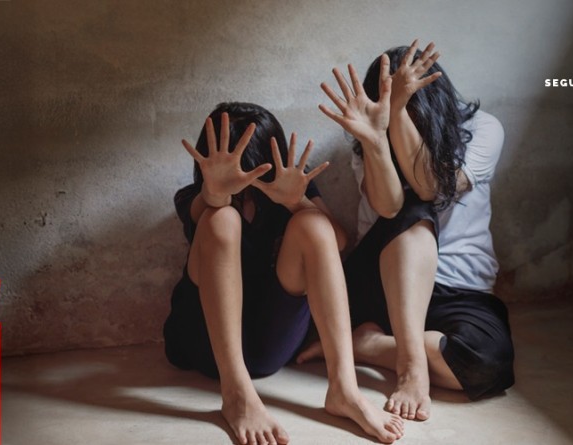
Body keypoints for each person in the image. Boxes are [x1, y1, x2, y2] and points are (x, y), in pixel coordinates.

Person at [162, 102, 405, 445]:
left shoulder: (292, 186)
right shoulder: (193, 197)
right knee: (220, 217)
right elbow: (204, 205)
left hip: (271, 343)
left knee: (313, 224)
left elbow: (337, 241)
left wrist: (296, 201)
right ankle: (237, 395)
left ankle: (345, 390)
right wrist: (214, 193)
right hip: (205, 345)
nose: (244, 176)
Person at [300, 41, 515, 421]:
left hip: (458, 288)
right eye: (388, 99)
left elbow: (434, 186)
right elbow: (389, 207)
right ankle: (412, 367)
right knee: (411, 209)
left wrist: (398, 109)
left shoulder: (483, 128)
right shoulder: (366, 142)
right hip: (382, 282)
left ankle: (367, 345)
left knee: (485, 365)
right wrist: (375, 140)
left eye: (407, 100)